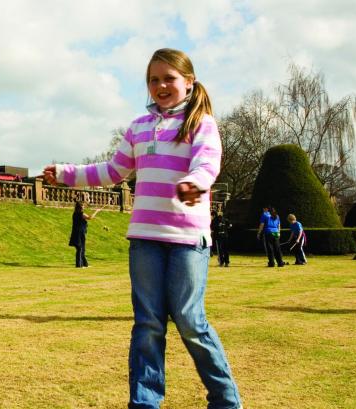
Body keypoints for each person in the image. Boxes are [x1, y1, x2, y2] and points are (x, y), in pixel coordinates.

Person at [42, 48, 242, 409]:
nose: (161, 85)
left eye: (169, 78)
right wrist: (67, 172)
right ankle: (145, 402)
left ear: (189, 82)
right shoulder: (138, 126)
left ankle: (226, 400)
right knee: (148, 325)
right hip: (145, 239)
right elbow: (112, 171)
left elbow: (207, 163)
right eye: (154, 79)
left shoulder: (202, 124)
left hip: (186, 240)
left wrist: (193, 184)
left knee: (190, 321)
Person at [69, 200, 95, 268]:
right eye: (82, 206)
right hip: (79, 234)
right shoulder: (81, 214)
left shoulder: (75, 213)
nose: (83, 207)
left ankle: (85, 264)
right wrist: (96, 212)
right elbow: (90, 217)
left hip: (78, 233)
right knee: (80, 248)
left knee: (81, 249)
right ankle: (79, 265)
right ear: (80, 207)